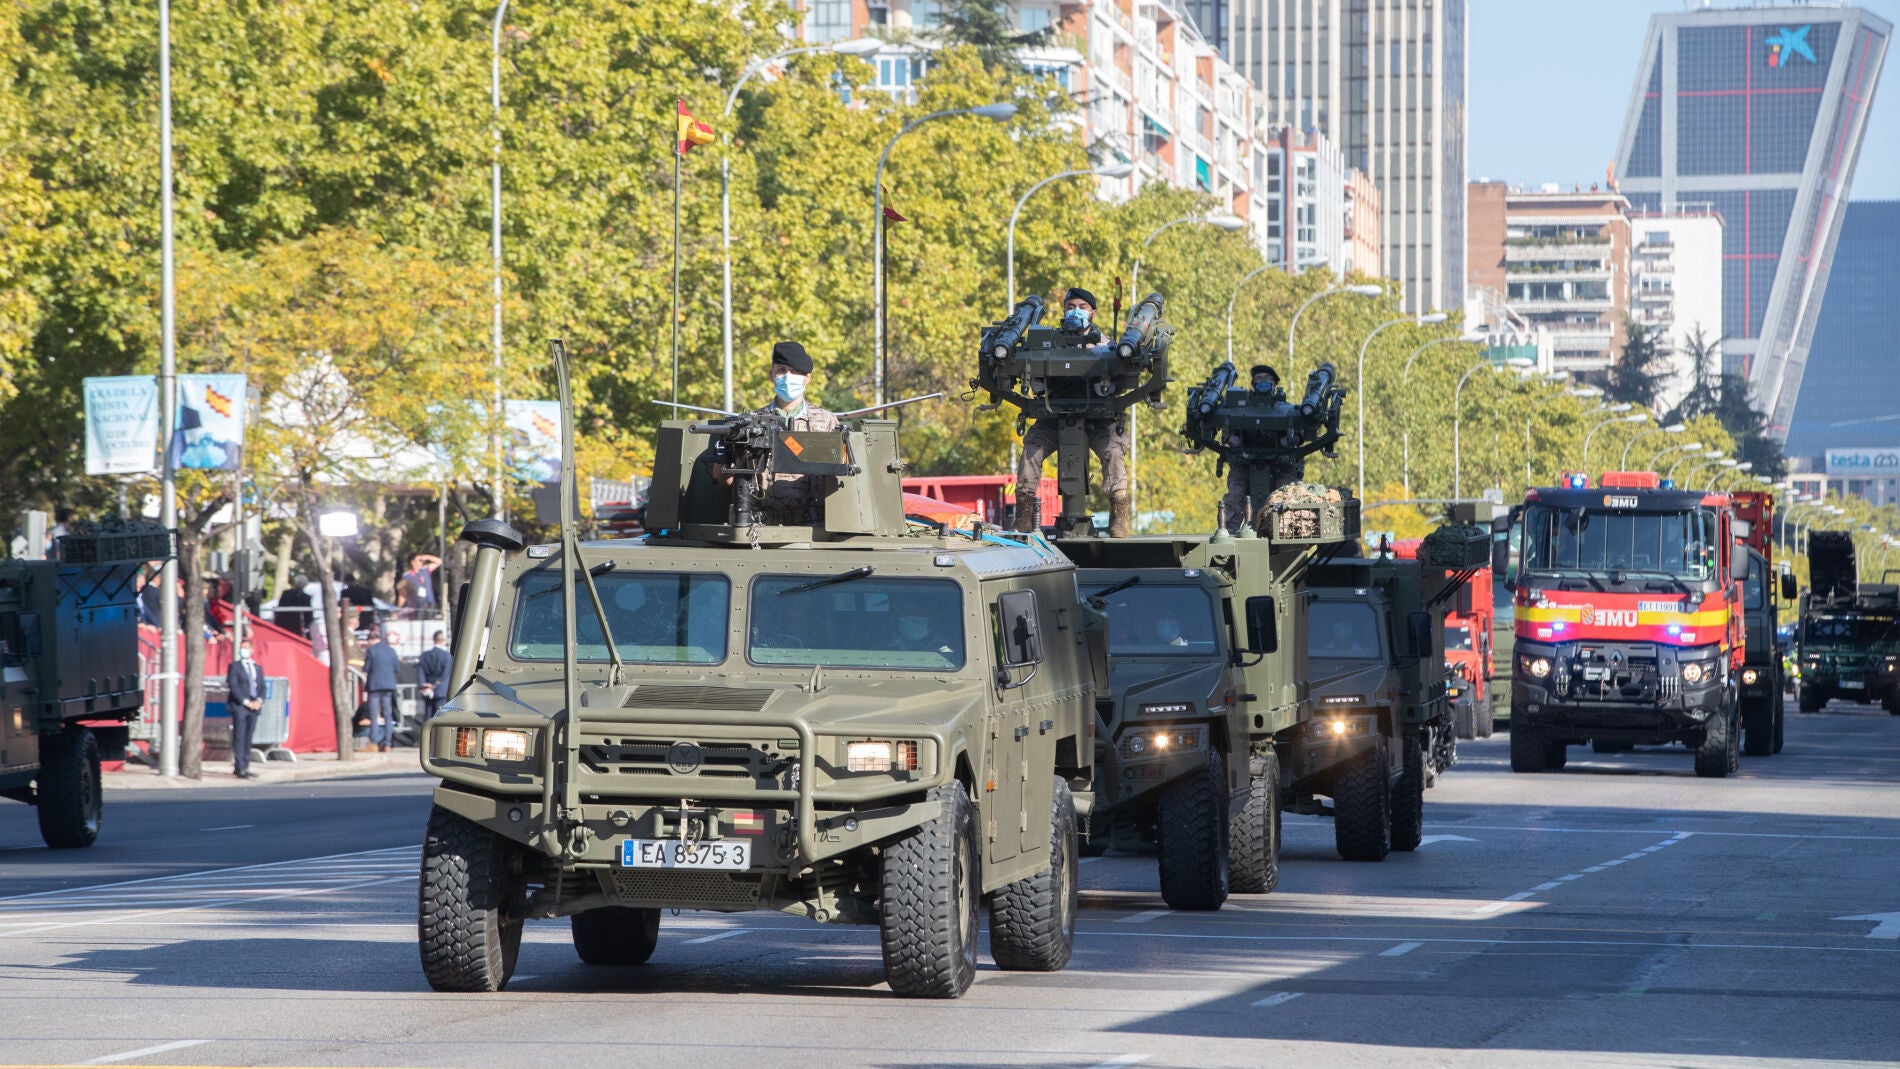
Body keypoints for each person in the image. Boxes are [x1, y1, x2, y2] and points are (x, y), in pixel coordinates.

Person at [1013, 288, 1133, 537]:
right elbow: (1032, 373)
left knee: (1113, 454)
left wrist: (1109, 386)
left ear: (1093, 312)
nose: (1076, 311)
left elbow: (1123, 378)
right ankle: (1023, 517)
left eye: (1082, 307)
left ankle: (1119, 517)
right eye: (1070, 306)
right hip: (1054, 417)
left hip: (1100, 419)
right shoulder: (1048, 343)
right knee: (1031, 453)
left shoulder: (1108, 346)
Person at [745, 341, 839, 524]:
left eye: (795, 371)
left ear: (807, 377)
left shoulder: (826, 422)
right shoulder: (753, 422)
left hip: (814, 526)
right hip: (763, 524)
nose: (788, 377)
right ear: (772, 375)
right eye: (781, 370)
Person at [1220, 364, 1307, 531]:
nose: (1263, 382)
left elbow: (1300, 434)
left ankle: (1284, 534)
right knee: (1235, 496)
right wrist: (1232, 439)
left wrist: (1291, 440)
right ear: (1253, 384)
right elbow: (1228, 431)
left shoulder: (1287, 409)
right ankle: (1229, 533)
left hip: (1282, 465)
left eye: (1267, 379)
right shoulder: (1240, 409)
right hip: (1244, 464)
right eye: (1259, 379)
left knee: (1285, 498)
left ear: (1274, 384)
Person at [225, 639, 265, 778]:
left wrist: (259, 700)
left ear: (252, 650)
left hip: (254, 707)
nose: (244, 651)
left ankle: (246, 765)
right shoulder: (235, 667)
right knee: (240, 737)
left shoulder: (257, 668)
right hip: (240, 707)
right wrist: (246, 702)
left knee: (248, 737)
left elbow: (262, 686)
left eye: (246, 648)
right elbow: (233, 686)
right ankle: (239, 766)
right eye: (242, 648)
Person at [362, 628, 402, 753]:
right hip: (388, 685)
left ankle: (373, 743)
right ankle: (388, 744)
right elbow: (397, 668)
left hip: (374, 686)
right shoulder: (391, 650)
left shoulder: (371, 651)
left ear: (371, 640)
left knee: (374, 715)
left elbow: (366, 668)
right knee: (387, 715)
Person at [417, 630, 452, 719]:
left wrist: (424, 684)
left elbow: (420, 671)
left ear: (434, 639)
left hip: (427, 689)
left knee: (428, 716)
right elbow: (445, 674)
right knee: (439, 717)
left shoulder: (425, 655)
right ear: (443, 640)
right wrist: (434, 686)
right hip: (441, 690)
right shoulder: (447, 656)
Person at [273, 574, 314, 639]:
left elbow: (279, 609)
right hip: (297, 626)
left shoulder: (285, 594)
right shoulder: (306, 598)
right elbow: (308, 616)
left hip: (282, 623)